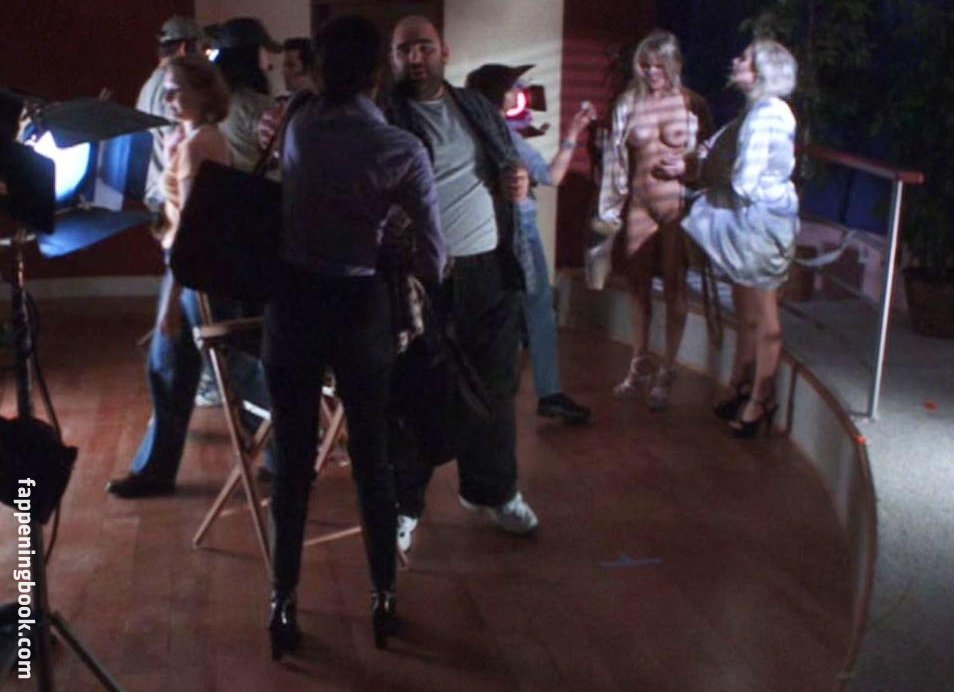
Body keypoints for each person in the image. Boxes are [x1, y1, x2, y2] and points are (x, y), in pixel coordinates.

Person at [263, 15, 445, 657]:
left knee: (291, 463)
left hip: (293, 300)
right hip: (359, 305)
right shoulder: (401, 148)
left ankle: (282, 602)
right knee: (371, 458)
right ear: (378, 73)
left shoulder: (297, 121)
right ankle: (383, 599)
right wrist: (390, 238)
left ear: (318, 67)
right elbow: (435, 260)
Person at [385, 15, 539, 554]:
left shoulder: (474, 107)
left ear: (444, 51)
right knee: (418, 391)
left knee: (495, 387)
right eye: (405, 50)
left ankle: (492, 490)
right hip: (423, 278)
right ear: (392, 58)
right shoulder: (385, 115)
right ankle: (405, 504)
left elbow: (506, 166)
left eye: (424, 47)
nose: (416, 57)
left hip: (490, 265)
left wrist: (517, 181)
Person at [107, 55, 273, 497]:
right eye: (166, 89)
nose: (167, 97)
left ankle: (287, 444)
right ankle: (158, 470)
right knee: (185, 368)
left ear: (203, 93)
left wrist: (171, 298)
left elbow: (195, 228)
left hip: (195, 273)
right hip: (197, 269)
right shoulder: (197, 138)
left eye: (176, 90)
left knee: (221, 366)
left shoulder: (199, 145)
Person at [658, 39, 799, 437]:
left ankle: (760, 398)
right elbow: (719, 152)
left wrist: (701, 174)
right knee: (748, 310)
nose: (736, 61)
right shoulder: (756, 111)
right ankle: (745, 386)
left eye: (746, 58)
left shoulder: (768, 114)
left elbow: (743, 179)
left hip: (760, 223)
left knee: (764, 314)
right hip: (749, 222)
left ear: (762, 72)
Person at [464, 63, 594, 425]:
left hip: (482, 231)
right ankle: (548, 393)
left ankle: (482, 396)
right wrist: (574, 133)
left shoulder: (470, 133)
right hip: (518, 228)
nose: (518, 94)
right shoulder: (504, 134)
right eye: (511, 88)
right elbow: (552, 176)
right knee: (537, 307)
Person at [595, 30, 712, 411]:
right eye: (644, 65)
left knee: (675, 285)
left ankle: (668, 368)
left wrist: (688, 166)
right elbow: (614, 157)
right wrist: (609, 207)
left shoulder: (692, 103)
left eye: (658, 65)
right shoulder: (629, 102)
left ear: (673, 65)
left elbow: (710, 153)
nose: (650, 72)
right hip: (639, 202)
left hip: (675, 204)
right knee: (637, 285)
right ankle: (639, 361)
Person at [136, 16, 205, 214]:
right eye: (202, 49)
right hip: (172, 201)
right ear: (185, 49)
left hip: (157, 196)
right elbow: (182, 153)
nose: (204, 58)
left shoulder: (149, 86)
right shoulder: (175, 90)